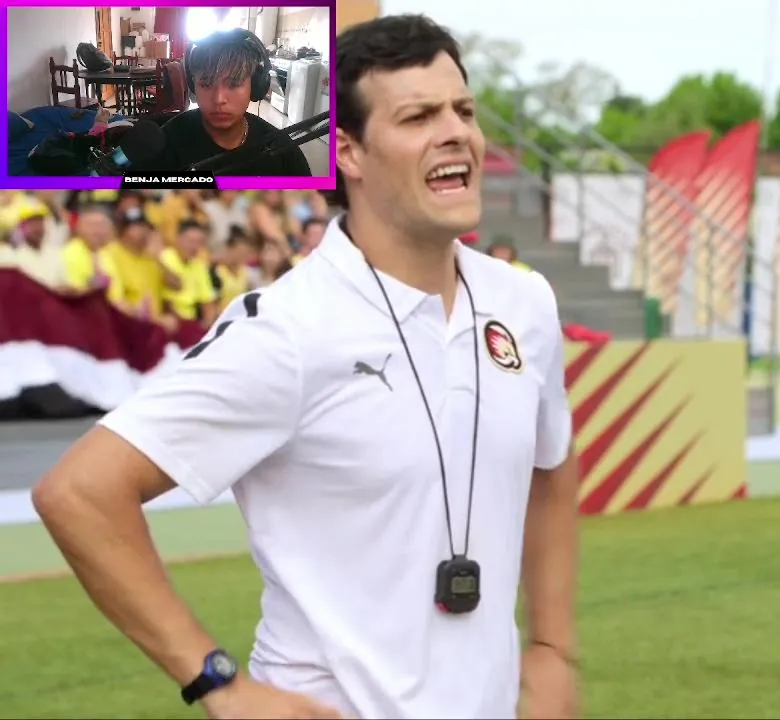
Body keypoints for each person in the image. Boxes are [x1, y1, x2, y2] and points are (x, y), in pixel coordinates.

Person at [32, 14, 579, 720]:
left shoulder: (525, 302)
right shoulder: (289, 328)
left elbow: (550, 463)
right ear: (348, 152)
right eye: (419, 117)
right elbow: (79, 492)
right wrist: (218, 682)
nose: (456, 134)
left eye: (463, 111)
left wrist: (552, 647)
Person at [135, 29, 310, 176]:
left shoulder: (282, 152)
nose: (219, 99)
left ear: (255, 86)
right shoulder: (167, 146)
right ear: (193, 85)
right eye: (206, 84)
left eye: (234, 84)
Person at [159, 220, 217, 326]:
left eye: (199, 242)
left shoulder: (200, 266)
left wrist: (206, 325)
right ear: (178, 239)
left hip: (192, 321)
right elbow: (164, 301)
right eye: (190, 241)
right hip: (169, 318)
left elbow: (208, 302)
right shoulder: (164, 258)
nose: (195, 247)